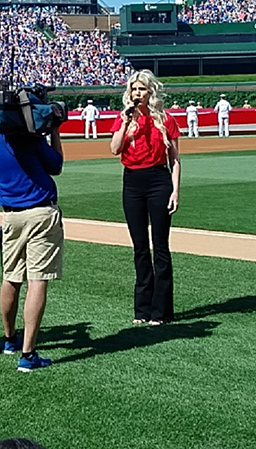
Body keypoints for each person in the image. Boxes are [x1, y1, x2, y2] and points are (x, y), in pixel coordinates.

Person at [0, 112, 64, 372]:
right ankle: (28, 354)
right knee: (37, 279)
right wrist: (54, 130)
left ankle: (9, 340)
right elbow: (56, 165)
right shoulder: (30, 139)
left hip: (9, 215)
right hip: (40, 212)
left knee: (11, 276)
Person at [110, 70, 181, 326]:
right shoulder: (123, 118)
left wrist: (175, 190)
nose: (137, 94)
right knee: (140, 248)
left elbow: (175, 160)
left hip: (158, 180)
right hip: (132, 182)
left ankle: (161, 311)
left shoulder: (164, 119)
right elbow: (114, 149)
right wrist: (127, 124)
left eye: (141, 89)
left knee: (160, 247)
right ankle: (142, 309)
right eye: (134, 90)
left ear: (150, 91)